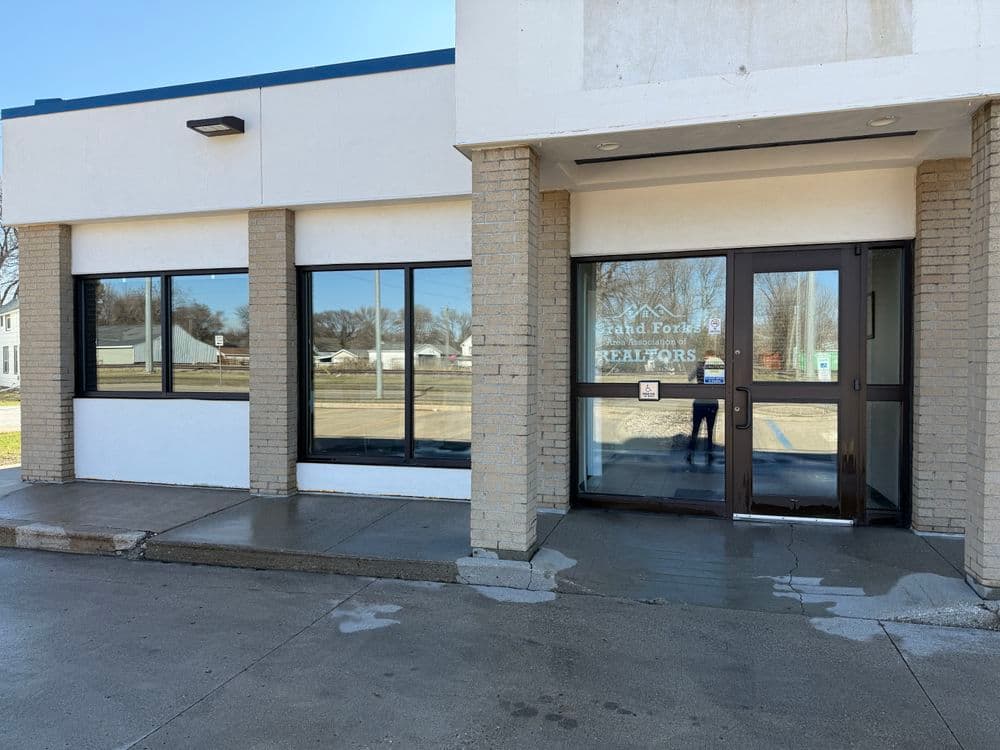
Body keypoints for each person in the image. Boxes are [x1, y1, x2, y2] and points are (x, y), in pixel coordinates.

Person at [687, 350, 724, 463]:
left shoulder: (699, 366)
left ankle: (691, 453)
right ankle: (709, 453)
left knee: (695, 429)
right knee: (710, 429)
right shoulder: (719, 366)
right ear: (714, 356)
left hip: (698, 402)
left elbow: (689, 378)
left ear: (705, 357)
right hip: (712, 403)